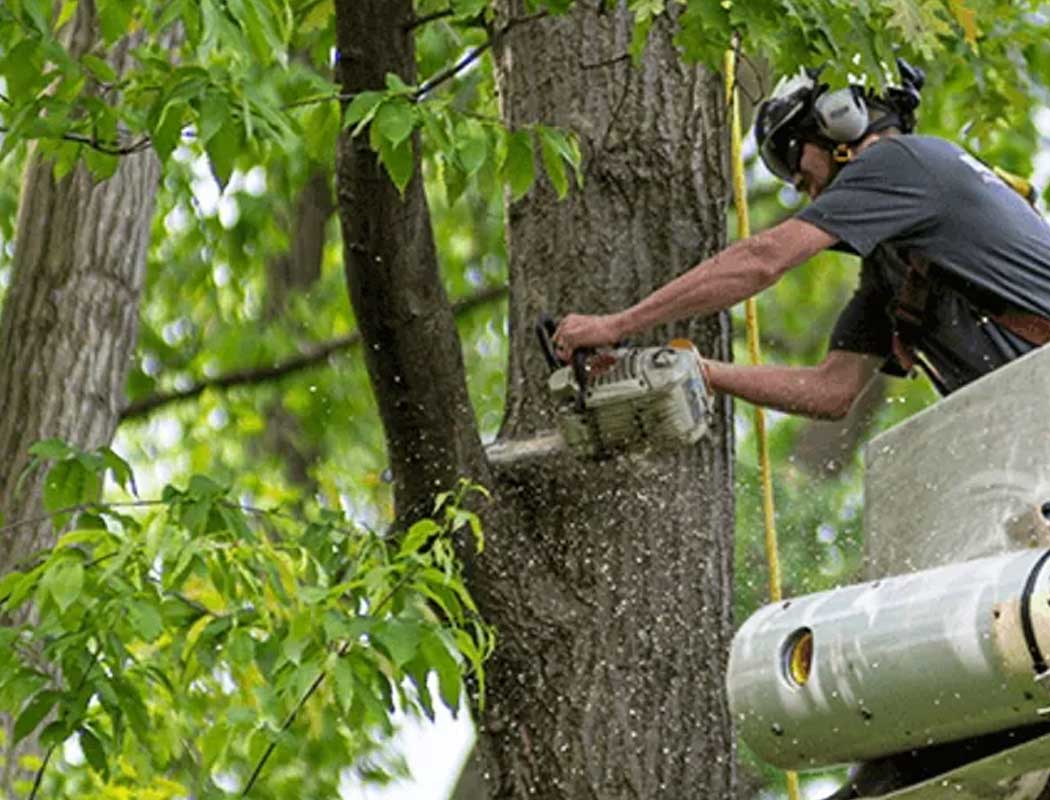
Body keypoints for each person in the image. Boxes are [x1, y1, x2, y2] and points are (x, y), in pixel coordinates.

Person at [552, 60, 1050, 418]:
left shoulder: (904, 161)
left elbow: (764, 258)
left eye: (796, 155)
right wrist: (694, 370)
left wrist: (619, 323)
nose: (797, 182)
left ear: (840, 119)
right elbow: (831, 390)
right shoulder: (895, 274)